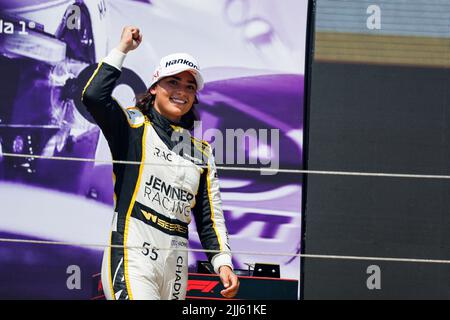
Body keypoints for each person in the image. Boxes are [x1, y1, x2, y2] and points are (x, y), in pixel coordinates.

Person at [82, 26, 239, 300]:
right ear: (154, 87)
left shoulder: (201, 152)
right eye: (173, 82)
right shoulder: (132, 127)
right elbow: (94, 97)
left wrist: (223, 261)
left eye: (190, 87)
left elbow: (209, 217)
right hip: (134, 253)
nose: (182, 91)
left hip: (176, 265)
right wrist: (122, 49)